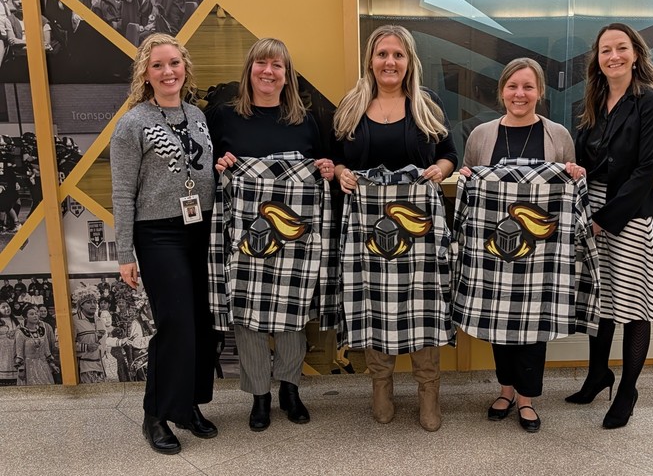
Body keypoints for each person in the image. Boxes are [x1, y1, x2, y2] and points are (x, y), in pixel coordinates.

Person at [333, 25, 457, 430]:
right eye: (383, 54)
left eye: (398, 55)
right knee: (371, 301)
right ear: (370, 60)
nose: (390, 62)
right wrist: (340, 172)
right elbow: (334, 156)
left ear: (409, 62)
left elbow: (449, 153)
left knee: (423, 302)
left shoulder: (427, 103)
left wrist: (440, 170)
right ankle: (381, 387)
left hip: (419, 227)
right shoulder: (351, 104)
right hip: (366, 228)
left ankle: (428, 392)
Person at [207, 37, 335, 431]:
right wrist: (219, 165)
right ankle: (259, 396)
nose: (268, 71)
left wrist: (326, 169)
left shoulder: (305, 122)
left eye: (277, 65)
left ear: (287, 75)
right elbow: (205, 168)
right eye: (261, 63)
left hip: (294, 240)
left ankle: (290, 390)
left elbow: (324, 165)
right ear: (249, 70)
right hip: (245, 237)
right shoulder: (224, 117)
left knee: (293, 313)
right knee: (248, 316)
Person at [111, 33, 217, 454]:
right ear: (145, 74)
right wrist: (124, 253)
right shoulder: (132, 124)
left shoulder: (197, 115)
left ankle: (187, 405)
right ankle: (155, 414)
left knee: (201, 323)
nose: (168, 71)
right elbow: (123, 193)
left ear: (185, 67)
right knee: (175, 324)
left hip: (201, 228)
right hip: (158, 233)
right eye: (158, 65)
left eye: (174, 63)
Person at [460, 58, 577, 432]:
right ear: (502, 92)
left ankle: (526, 398)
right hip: (496, 252)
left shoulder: (558, 135)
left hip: (540, 254)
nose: (520, 94)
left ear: (540, 92)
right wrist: (466, 177)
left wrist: (575, 174)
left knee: (533, 326)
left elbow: (569, 186)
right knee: (499, 322)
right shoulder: (482, 135)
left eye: (528, 87)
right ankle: (505, 390)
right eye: (512, 86)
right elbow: (469, 181)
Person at [568, 23, 653, 428]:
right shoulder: (593, 100)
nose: (613, 56)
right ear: (597, 59)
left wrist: (603, 221)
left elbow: (646, 170)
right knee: (601, 301)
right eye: (605, 50)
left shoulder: (651, 101)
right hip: (594, 207)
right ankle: (598, 375)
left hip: (630, 216)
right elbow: (587, 159)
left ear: (636, 54)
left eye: (621, 48)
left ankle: (628, 389)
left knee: (633, 307)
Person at [15, 304, 57, 385]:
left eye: (36, 313)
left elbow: (47, 350)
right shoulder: (20, 332)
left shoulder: (42, 330)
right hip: (29, 366)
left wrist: (52, 364)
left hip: (43, 365)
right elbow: (19, 353)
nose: (35, 316)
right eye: (31, 314)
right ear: (26, 317)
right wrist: (21, 369)